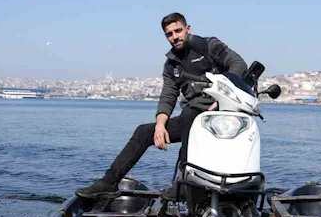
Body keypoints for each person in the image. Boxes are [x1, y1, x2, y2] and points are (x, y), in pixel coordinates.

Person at [76, 12, 248, 200]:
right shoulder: (171, 64)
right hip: (190, 119)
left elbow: (238, 64)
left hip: (219, 117)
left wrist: (223, 97)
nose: (175, 37)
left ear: (188, 29)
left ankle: (183, 185)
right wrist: (159, 125)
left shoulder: (208, 45)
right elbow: (168, 96)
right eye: (169, 34)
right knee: (144, 132)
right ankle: (108, 183)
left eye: (178, 31)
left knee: (190, 114)